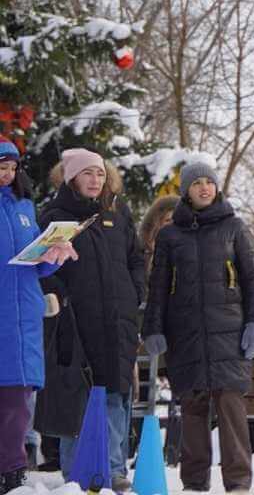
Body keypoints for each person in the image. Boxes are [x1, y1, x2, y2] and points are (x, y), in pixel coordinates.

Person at [142, 162, 254, 494]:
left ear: (216, 187)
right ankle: (194, 483)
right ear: (186, 191)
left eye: (208, 182)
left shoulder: (236, 228)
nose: (203, 188)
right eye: (196, 183)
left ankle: (238, 482)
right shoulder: (170, 235)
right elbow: (157, 288)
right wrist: (152, 328)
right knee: (193, 408)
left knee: (230, 407)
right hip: (187, 333)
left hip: (229, 332)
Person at [38, 148, 144, 492]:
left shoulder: (117, 212)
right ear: (72, 178)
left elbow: (136, 257)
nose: (95, 180)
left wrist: (135, 294)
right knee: (78, 397)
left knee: (114, 393)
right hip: (75, 323)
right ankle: (77, 471)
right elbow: (41, 267)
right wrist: (59, 297)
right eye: (87, 174)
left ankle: (113, 469)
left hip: (117, 322)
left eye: (99, 173)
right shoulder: (55, 216)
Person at [0, 138, 77, 494]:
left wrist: (52, 254)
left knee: (18, 402)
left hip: (24, 317)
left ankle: (12, 472)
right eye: (2, 166)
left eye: (13, 168)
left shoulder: (24, 207)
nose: (8, 174)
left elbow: (33, 265)